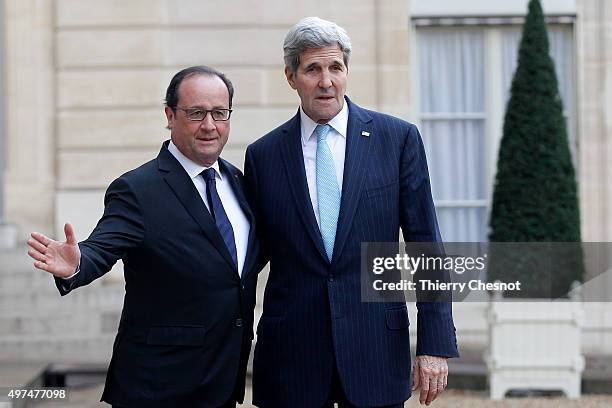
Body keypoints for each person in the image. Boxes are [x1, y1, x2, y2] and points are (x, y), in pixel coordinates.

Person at [244, 17, 459, 408]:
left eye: (335, 68)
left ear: (346, 72)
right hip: (291, 359)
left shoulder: (397, 139)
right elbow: (247, 262)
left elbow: (426, 245)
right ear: (291, 77)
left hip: (376, 352)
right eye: (312, 69)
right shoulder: (263, 155)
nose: (326, 81)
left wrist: (434, 344)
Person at [27, 66, 260, 408]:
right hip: (158, 386)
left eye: (219, 113)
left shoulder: (239, 183)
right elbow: (104, 244)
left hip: (222, 380)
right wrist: (79, 263)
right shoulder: (138, 189)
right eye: (196, 113)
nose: (209, 125)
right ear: (170, 115)